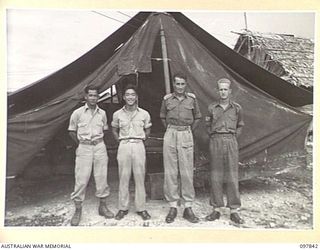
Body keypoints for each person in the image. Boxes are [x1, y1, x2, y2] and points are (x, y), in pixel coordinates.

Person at [68, 86, 114, 226]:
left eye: (96, 95)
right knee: (81, 179)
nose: (93, 98)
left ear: (98, 97)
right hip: (84, 147)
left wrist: (96, 141)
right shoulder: (77, 113)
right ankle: (78, 210)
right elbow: (71, 131)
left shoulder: (103, 113)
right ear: (86, 97)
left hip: (99, 146)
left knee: (101, 177)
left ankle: (103, 206)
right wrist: (82, 143)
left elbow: (105, 130)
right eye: (91, 95)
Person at [160, 73, 202, 223]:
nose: (179, 87)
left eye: (182, 84)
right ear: (173, 84)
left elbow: (197, 117)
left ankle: (187, 207)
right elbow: (163, 116)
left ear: (186, 85)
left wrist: (188, 130)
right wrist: (172, 129)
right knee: (171, 171)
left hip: (186, 133)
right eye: (177, 84)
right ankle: (173, 206)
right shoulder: (167, 100)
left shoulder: (192, 99)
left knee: (186, 171)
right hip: (171, 133)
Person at [205, 78, 245, 224]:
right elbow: (208, 125)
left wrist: (233, 137)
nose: (223, 92)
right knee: (216, 175)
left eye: (225, 89)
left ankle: (233, 210)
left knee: (232, 175)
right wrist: (214, 136)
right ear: (217, 91)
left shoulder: (237, 108)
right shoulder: (212, 108)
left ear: (230, 91)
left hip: (230, 141)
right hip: (216, 141)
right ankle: (216, 209)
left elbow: (240, 125)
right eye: (220, 89)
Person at [111, 84, 152, 221]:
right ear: (123, 97)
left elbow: (148, 129)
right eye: (127, 94)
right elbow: (114, 129)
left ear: (136, 97)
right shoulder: (117, 114)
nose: (130, 97)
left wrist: (142, 139)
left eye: (132, 94)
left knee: (140, 177)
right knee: (124, 177)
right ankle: (123, 208)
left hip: (138, 144)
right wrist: (120, 141)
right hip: (124, 145)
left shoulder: (144, 113)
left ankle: (142, 208)